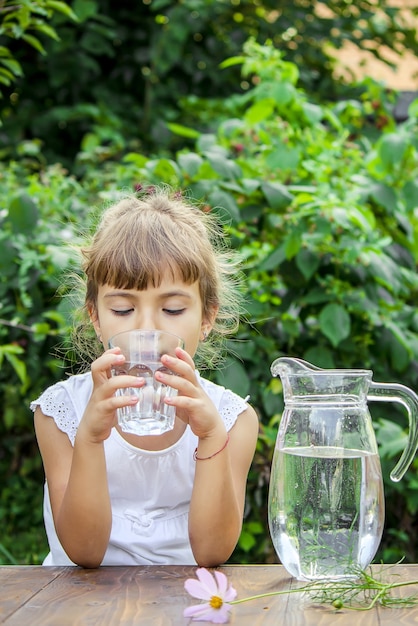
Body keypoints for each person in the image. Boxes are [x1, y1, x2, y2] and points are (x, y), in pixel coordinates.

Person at [31, 187, 259, 569]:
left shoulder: (232, 420)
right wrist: (90, 437)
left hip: (184, 603)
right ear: (95, 315)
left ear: (206, 319)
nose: (147, 330)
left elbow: (212, 552)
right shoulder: (62, 413)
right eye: (122, 308)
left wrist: (211, 438)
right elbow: (84, 552)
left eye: (171, 309)